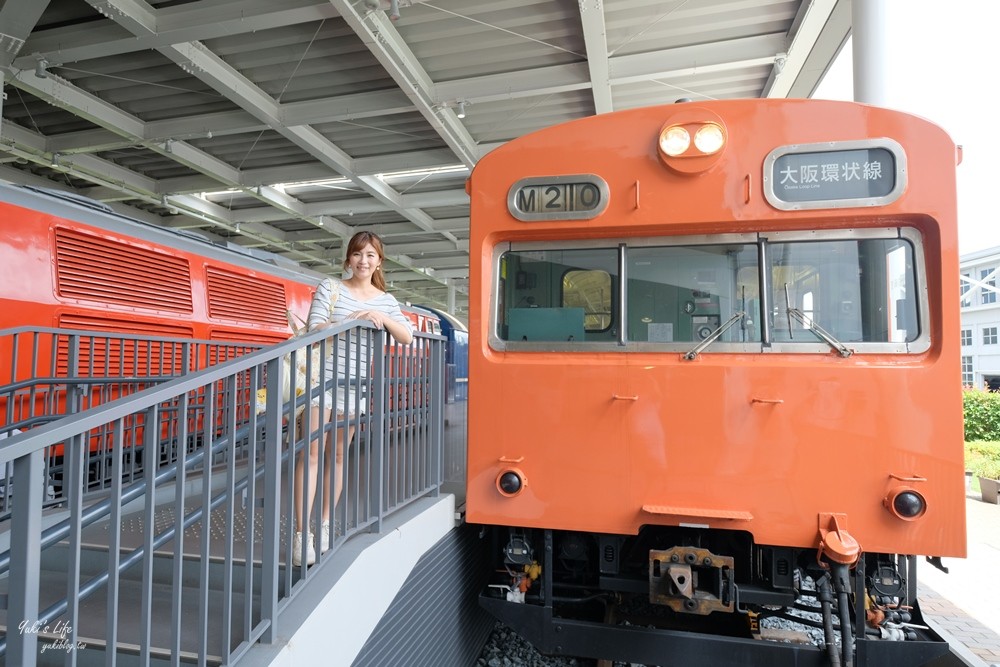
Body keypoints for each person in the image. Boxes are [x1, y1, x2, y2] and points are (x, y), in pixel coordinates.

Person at [292, 231, 413, 566]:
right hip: (322, 381)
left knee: (339, 457)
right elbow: (315, 328)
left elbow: (406, 336)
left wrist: (384, 318)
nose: (364, 261)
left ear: (379, 261)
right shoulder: (331, 288)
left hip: (355, 386)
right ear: (348, 259)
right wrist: (351, 319)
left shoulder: (386, 300)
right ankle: (303, 536)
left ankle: (327, 524)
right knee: (312, 455)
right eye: (358, 254)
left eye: (371, 255)